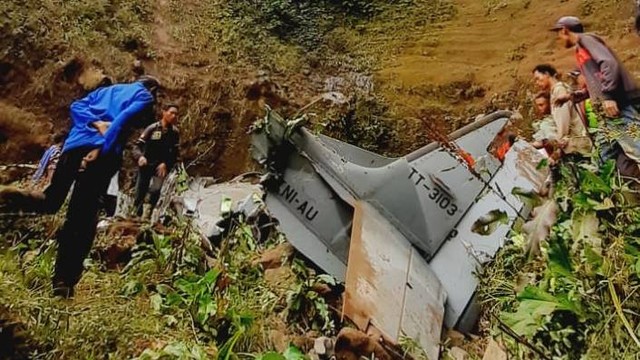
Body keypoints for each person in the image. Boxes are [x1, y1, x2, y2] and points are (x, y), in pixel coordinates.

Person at [0, 75, 160, 298]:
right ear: (151, 89)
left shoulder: (104, 92)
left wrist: (94, 123)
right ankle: (63, 284)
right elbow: (121, 121)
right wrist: (101, 147)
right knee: (82, 220)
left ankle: (7, 199)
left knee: (51, 200)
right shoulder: (143, 95)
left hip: (72, 147)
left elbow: (76, 107)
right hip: (99, 155)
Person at [551, 16, 640, 178]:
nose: (558, 39)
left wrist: (608, 96)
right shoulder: (580, 50)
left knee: (636, 146)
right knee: (605, 157)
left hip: (617, 106)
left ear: (564, 30)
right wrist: (573, 96)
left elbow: (609, 64)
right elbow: (596, 83)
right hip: (606, 113)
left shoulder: (587, 40)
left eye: (558, 34)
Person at [132, 103, 180, 219]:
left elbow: (174, 154)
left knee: (155, 191)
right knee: (140, 193)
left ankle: (148, 216)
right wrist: (140, 157)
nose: (174, 116)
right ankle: (135, 217)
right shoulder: (152, 128)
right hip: (146, 165)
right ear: (164, 112)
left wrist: (165, 164)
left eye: (176, 114)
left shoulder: (174, 133)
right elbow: (136, 147)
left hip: (160, 168)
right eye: (171, 113)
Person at [532, 64, 590, 155]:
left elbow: (563, 123)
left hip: (575, 144)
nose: (537, 83)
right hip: (575, 142)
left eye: (537, 78)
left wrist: (558, 146)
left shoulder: (559, 90)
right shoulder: (558, 89)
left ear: (547, 74)